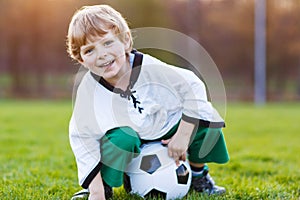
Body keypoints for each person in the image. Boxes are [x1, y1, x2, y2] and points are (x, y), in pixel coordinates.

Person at [67, 4, 229, 200]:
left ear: (126, 41)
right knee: (121, 139)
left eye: (108, 43)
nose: (101, 54)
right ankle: (105, 187)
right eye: (89, 50)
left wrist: (183, 135)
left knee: (207, 121)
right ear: (81, 60)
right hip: (130, 135)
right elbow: (82, 137)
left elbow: (194, 86)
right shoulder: (88, 91)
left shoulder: (151, 68)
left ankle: (197, 175)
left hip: (166, 126)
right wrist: (96, 190)